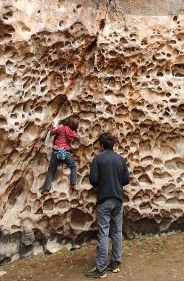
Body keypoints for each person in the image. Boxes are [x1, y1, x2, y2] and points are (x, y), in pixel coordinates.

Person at [85, 132, 130, 278]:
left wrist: (103, 182)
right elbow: (126, 180)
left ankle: (101, 269)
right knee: (117, 232)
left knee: (103, 233)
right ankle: (115, 264)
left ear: (102, 145)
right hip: (118, 200)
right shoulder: (120, 159)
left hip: (104, 200)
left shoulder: (98, 159)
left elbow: (93, 180)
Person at [42, 115, 79, 195]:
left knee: (51, 171)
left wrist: (53, 126)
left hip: (56, 151)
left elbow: (52, 133)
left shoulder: (62, 128)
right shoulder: (73, 133)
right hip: (66, 152)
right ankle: (73, 183)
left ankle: (46, 190)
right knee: (73, 167)